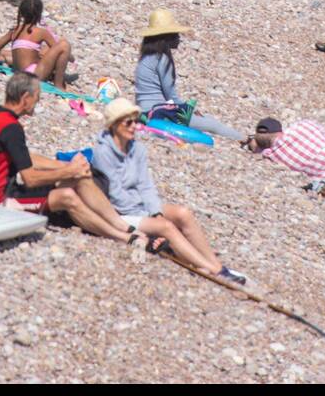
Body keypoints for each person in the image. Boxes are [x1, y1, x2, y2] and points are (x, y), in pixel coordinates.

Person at [92, 99, 245, 281]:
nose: (134, 126)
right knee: (166, 227)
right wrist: (150, 218)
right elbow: (116, 195)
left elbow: (146, 185)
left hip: (138, 206)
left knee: (183, 213)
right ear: (115, 124)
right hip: (117, 213)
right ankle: (213, 269)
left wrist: (155, 211)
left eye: (136, 121)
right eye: (129, 122)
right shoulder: (102, 153)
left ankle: (214, 262)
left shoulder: (137, 149)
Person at [0, 73, 135, 240]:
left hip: (2, 192)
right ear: (25, 98)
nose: (37, 102)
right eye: (37, 97)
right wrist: (69, 171)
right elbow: (30, 179)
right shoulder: (12, 128)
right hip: (0, 203)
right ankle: (122, 237)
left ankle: (122, 225)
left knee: (81, 178)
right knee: (68, 197)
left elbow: (24, 156)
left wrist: (66, 167)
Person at [134, 8, 243, 140]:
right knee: (212, 125)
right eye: (175, 34)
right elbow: (171, 95)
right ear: (166, 37)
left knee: (203, 119)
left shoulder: (146, 57)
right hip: (158, 112)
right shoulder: (162, 58)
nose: (179, 38)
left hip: (143, 110)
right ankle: (246, 139)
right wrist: (188, 109)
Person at [0, 0, 73, 89]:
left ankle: (55, 77)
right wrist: (71, 57)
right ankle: (59, 85)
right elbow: (59, 49)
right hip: (33, 74)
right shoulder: (41, 32)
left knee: (45, 50)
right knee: (64, 45)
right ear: (39, 14)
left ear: (21, 13)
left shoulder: (14, 31)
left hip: (18, 73)